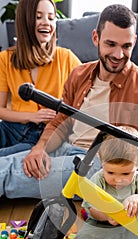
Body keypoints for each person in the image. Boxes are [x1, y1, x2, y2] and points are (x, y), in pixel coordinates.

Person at [0, 4, 138, 228]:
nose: (118, 55)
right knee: (7, 162)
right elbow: (60, 121)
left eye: (126, 46)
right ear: (96, 37)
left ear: (134, 42)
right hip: (67, 148)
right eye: (111, 44)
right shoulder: (79, 74)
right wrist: (40, 148)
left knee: (7, 171)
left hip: (101, 165)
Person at [0, 0, 81, 156]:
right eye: (38, 17)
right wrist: (31, 116)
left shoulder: (66, 58)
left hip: (43, 135)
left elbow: (90, 92)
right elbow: (0, 110)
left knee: (7, 158)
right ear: (25, 21)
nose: (46, 23)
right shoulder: (5, 59)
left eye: (51, 18)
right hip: (11, 128)